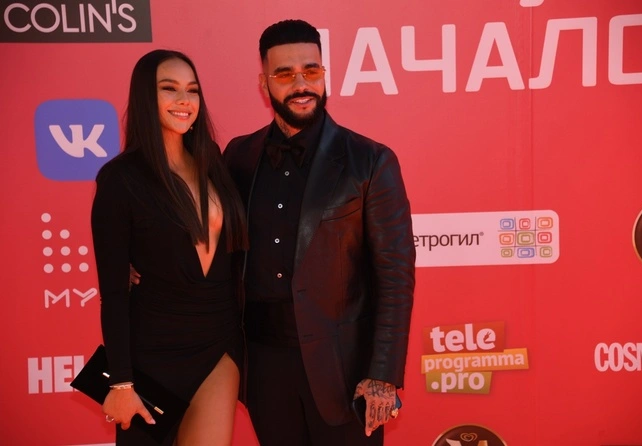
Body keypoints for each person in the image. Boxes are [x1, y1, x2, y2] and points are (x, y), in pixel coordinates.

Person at [223, 19, 415, 446]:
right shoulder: (238, 156)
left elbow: (395, 276)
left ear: (324, 74)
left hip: (344, 370)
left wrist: (382, 375)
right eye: (284, 74)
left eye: (311, 71)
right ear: (264, 84)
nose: (301, 84)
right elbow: (214, 240)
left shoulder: (370, 160)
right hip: (263, 368)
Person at [90, 49, 247, 446]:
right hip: (152, 352)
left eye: (192, 90)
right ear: (145, 95)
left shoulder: (213, 162)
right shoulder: (120, 179)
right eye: (169, 88)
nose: (184, 100)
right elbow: (114, 293)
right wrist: (121, 382)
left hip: (219, 342)